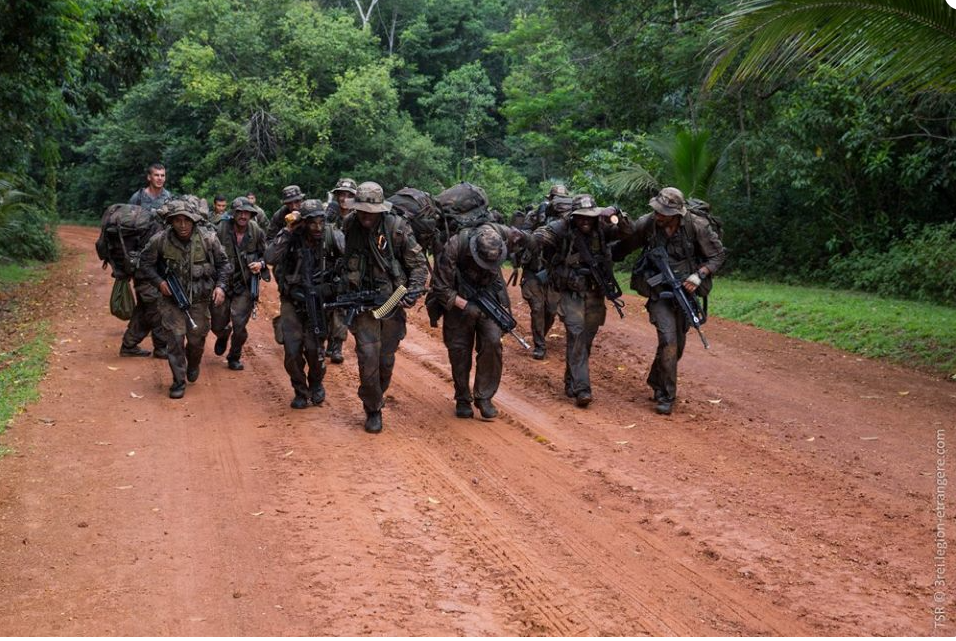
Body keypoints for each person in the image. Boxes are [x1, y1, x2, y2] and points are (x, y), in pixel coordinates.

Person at [613, 187, 725, 415]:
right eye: (657, 211)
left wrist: (700, 274)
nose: (658, 215)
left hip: (685, 291)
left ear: (677, 212)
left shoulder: (697, 226)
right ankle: (666, 396)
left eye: (663, 212)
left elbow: (718, 255)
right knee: (669, 340)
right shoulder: (648, 224)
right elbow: (624, 246)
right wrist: (604, 255)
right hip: (659, 293)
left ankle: (657, 379)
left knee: (677, 346)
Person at [340, 181, 428, 433]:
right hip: (363, 306)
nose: (366, 215)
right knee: (368, 359)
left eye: (371, 210)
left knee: (385, 361)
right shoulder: (349, 226)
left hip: (391, 303)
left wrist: (411, 293)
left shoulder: (397, 228)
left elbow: (418, 265)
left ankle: (377, 393)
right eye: (362, 210)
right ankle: (373, 408)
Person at [532, 193, 631, 408]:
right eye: (581, 217)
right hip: (570, 293)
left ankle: (571, 380)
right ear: (573, 216)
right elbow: (541, 235)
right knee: (576, 334)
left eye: (589, 216)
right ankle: (582, 388)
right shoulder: (562, 228)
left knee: (585, 340)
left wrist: (618, 213)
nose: (585, 221)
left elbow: (626, 232)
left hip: (595, 293)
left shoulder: (602, 228)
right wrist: (533, 238)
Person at [432, 223, 528, 419]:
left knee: (493, 342)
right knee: (459, 349)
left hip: (488, 297)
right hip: (458, 299)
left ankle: (484, 396)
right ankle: (462, 398)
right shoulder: (455, 245)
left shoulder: (504, 237)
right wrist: (465, 306)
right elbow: (440, 287)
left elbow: (527, 239)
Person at [138, 199, 231, 399]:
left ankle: (194, 362)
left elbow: (225, 265)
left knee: (196, 342)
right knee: (175, 340)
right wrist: (159, 282)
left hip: (199, 301)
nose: (182, 225)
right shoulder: (160, 240)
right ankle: (178, 381)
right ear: (171, 222)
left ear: (194, 221)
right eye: (177, 220)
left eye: (186, 220)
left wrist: (221, 287)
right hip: (171, 302)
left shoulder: (208, 239)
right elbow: (144, 263)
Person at [265, 199, 343, 408]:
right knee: (292, 351)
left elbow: (349, 261)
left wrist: (334, 289)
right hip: (293, 300)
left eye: (321, 222)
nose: (317, 227)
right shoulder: (292, 236)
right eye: (312, 223)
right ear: (304, 222)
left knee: (314, 349)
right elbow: (270, 257)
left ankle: (316, 383)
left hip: (319, 301)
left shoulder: (331, 236)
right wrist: (288, 230)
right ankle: (300, 390)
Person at [515, 186, 573, 359]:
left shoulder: (569, 221)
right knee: (537, 307)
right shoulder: (536, 215)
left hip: (554, 271)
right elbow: (523, 236)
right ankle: (539, 345)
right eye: (555, 198)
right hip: (534, 269)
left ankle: (541, 335)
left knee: (551, 310)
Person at [211, 197, 267, 371]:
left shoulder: (256, 231)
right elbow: (208, 254)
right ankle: (223, 334)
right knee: (217, 323)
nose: (243, 216)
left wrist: (260, 264)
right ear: (233, 213)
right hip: (222, 282)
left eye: (247, 212)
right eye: (240, 212)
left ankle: (234, 356)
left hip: (244, 284)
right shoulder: (220, 229)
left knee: (239, 324)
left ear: (251, 214)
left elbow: (267, 254)